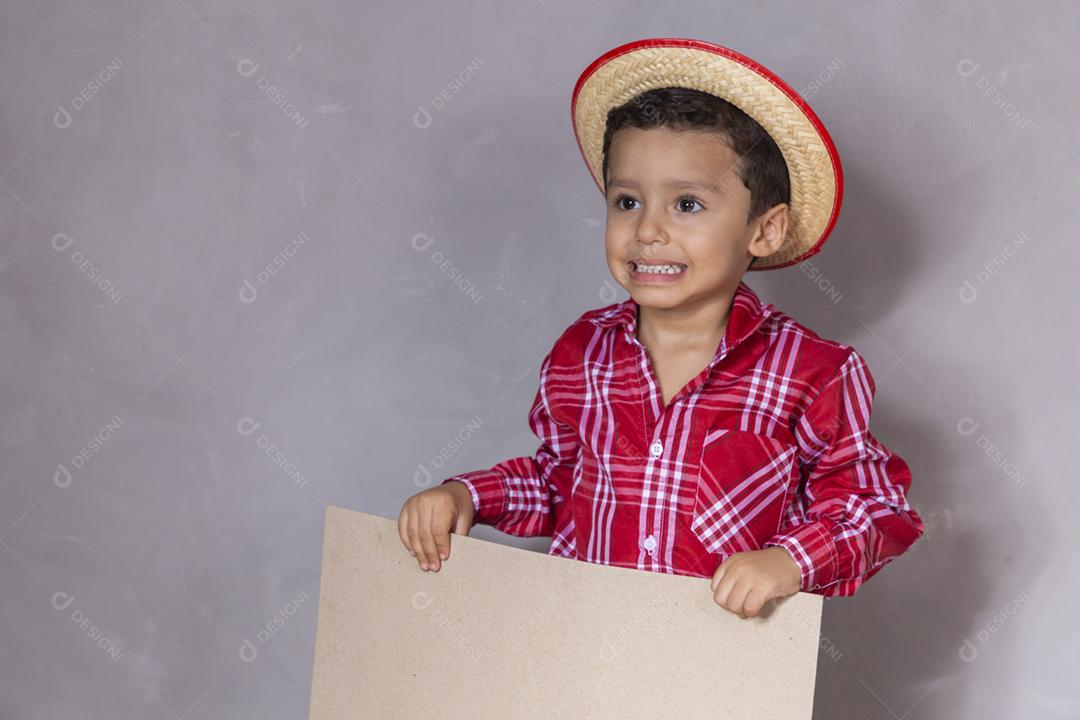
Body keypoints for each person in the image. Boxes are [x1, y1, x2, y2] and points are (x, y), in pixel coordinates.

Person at [398, 38, 924, 619]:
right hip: (586, 654)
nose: (647, 230)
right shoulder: (583, 354)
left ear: (765, 230)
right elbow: (559, 483)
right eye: (626, 201)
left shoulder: (814, 373)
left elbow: (874, 507)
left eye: (688, 205)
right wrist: (466, 495)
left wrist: (789, 561)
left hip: (718, 672)